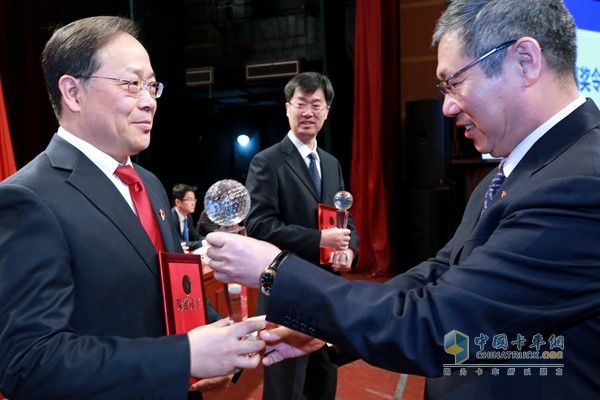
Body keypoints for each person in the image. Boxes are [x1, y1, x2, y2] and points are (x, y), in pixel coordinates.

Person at [204, 1, 600, 399]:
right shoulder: (511, 172)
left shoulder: (581, 183)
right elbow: (439, 273)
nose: (446, 106)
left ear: (525, 61)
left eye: (455, 82)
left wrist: (276, 271)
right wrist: (322, 324)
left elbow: (439, 325)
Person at [0, 16, 264, 400]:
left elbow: (174, 291)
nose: (149, 101)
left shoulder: (148, 183)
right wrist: (184, 357)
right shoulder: (28, 198)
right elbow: (28, 362)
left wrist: (232, 337)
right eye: (131, 84)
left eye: (152, 85)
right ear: (73, 92)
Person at [243, 71, 359, 400]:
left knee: (324, 381)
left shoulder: (331, 163)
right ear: (287, 108)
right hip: (286, 290)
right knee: (286, 387)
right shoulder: (266, 162)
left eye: (316, 105)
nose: (308, 112)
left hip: (326, 292)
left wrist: (351, 250)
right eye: (301, 103)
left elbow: (345, 218)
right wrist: (318, 240)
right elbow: (260, 224)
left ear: (327, 112)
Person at [172, 183, 203, 251]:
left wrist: (208, 240)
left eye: (194, 200)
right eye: (189, 200)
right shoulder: (171, 218)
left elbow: (195, 237)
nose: (193, 203)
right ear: (178, 202)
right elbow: (178, 243)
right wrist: (203, 243)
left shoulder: (188, 217)